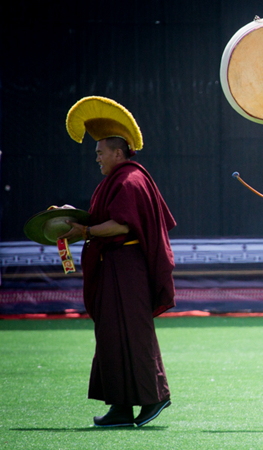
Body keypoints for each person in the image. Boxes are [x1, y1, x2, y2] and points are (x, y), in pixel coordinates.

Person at [60, 96, 176, 427]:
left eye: (101, 152)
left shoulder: (130, 179)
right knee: (111, 334)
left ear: (118, 153)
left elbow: (122, 225)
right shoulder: (115, 179)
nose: (96, 157)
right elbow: (103, 218)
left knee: (134, 333)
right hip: (113, 266)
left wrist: (85, 231)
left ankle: (154, 397)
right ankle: (121, 407)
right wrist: (72, 218)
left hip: (127, 268)